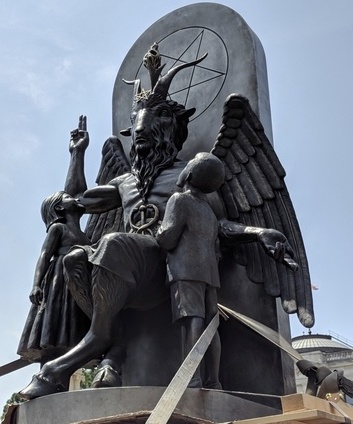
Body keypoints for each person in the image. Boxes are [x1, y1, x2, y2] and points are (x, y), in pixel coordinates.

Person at [17, 117, 91, 364]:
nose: (76, 198)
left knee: (72, 331)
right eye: (68, 198)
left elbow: (78, 191)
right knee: (54, 329)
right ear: (59, 207)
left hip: (78, 284)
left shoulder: (84, 233)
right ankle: (48, 366)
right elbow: (43, 256)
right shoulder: (59, 228)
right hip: (59, 282)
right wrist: (36, 284)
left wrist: (77, 153)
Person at [156, 152, 225, 389]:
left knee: (192, 320)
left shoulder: (179, 200)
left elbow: (167, 238)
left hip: (185, 269)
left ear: (191, 173)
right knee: (211, 324)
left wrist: (158, 230)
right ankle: (213, 380)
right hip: (210, 274)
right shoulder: (210, 211)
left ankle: (191, 377)